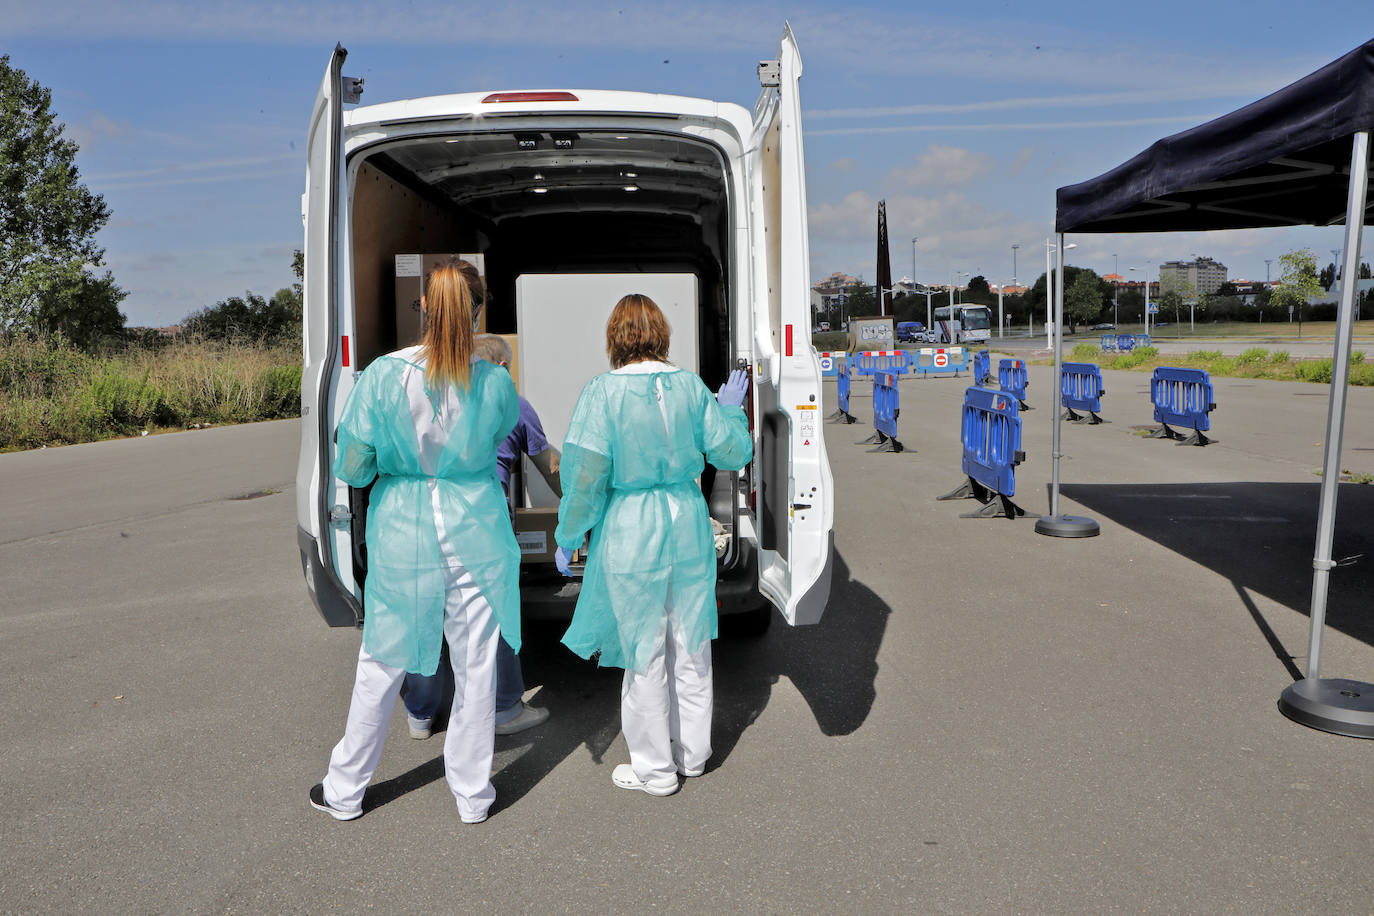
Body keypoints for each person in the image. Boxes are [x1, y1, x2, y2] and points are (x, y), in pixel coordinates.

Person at [310, 263, 520, 824]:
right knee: (477, 665)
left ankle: (344, 790)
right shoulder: (495, 381)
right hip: (476, 530)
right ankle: (473, 798)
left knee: (382, 660)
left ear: (424, 307)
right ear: (477, 310)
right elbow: (496, 438)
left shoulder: (384, 375)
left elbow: (354, 465)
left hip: (405, 531)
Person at [553, 293, 752, 796]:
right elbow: (731, 450)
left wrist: (569, 533)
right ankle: (693, 755)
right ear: (662, 333)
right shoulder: (690, 386)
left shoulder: (601, 392)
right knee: (691, 642)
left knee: (644, 650)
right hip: (686, 522)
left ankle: (655, 770)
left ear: (614, 337)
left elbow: (585, 475)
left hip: (631, 528)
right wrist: (729, 412)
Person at [402, 333, 556, 739]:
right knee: (493, 613)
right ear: (502, 369)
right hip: (482, 520)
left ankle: (420, 713)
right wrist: (579, 514)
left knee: (427, 614)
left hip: (421, 515)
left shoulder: (432, 396)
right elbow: (549, 467)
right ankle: (505, 708)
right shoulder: (512, 404)